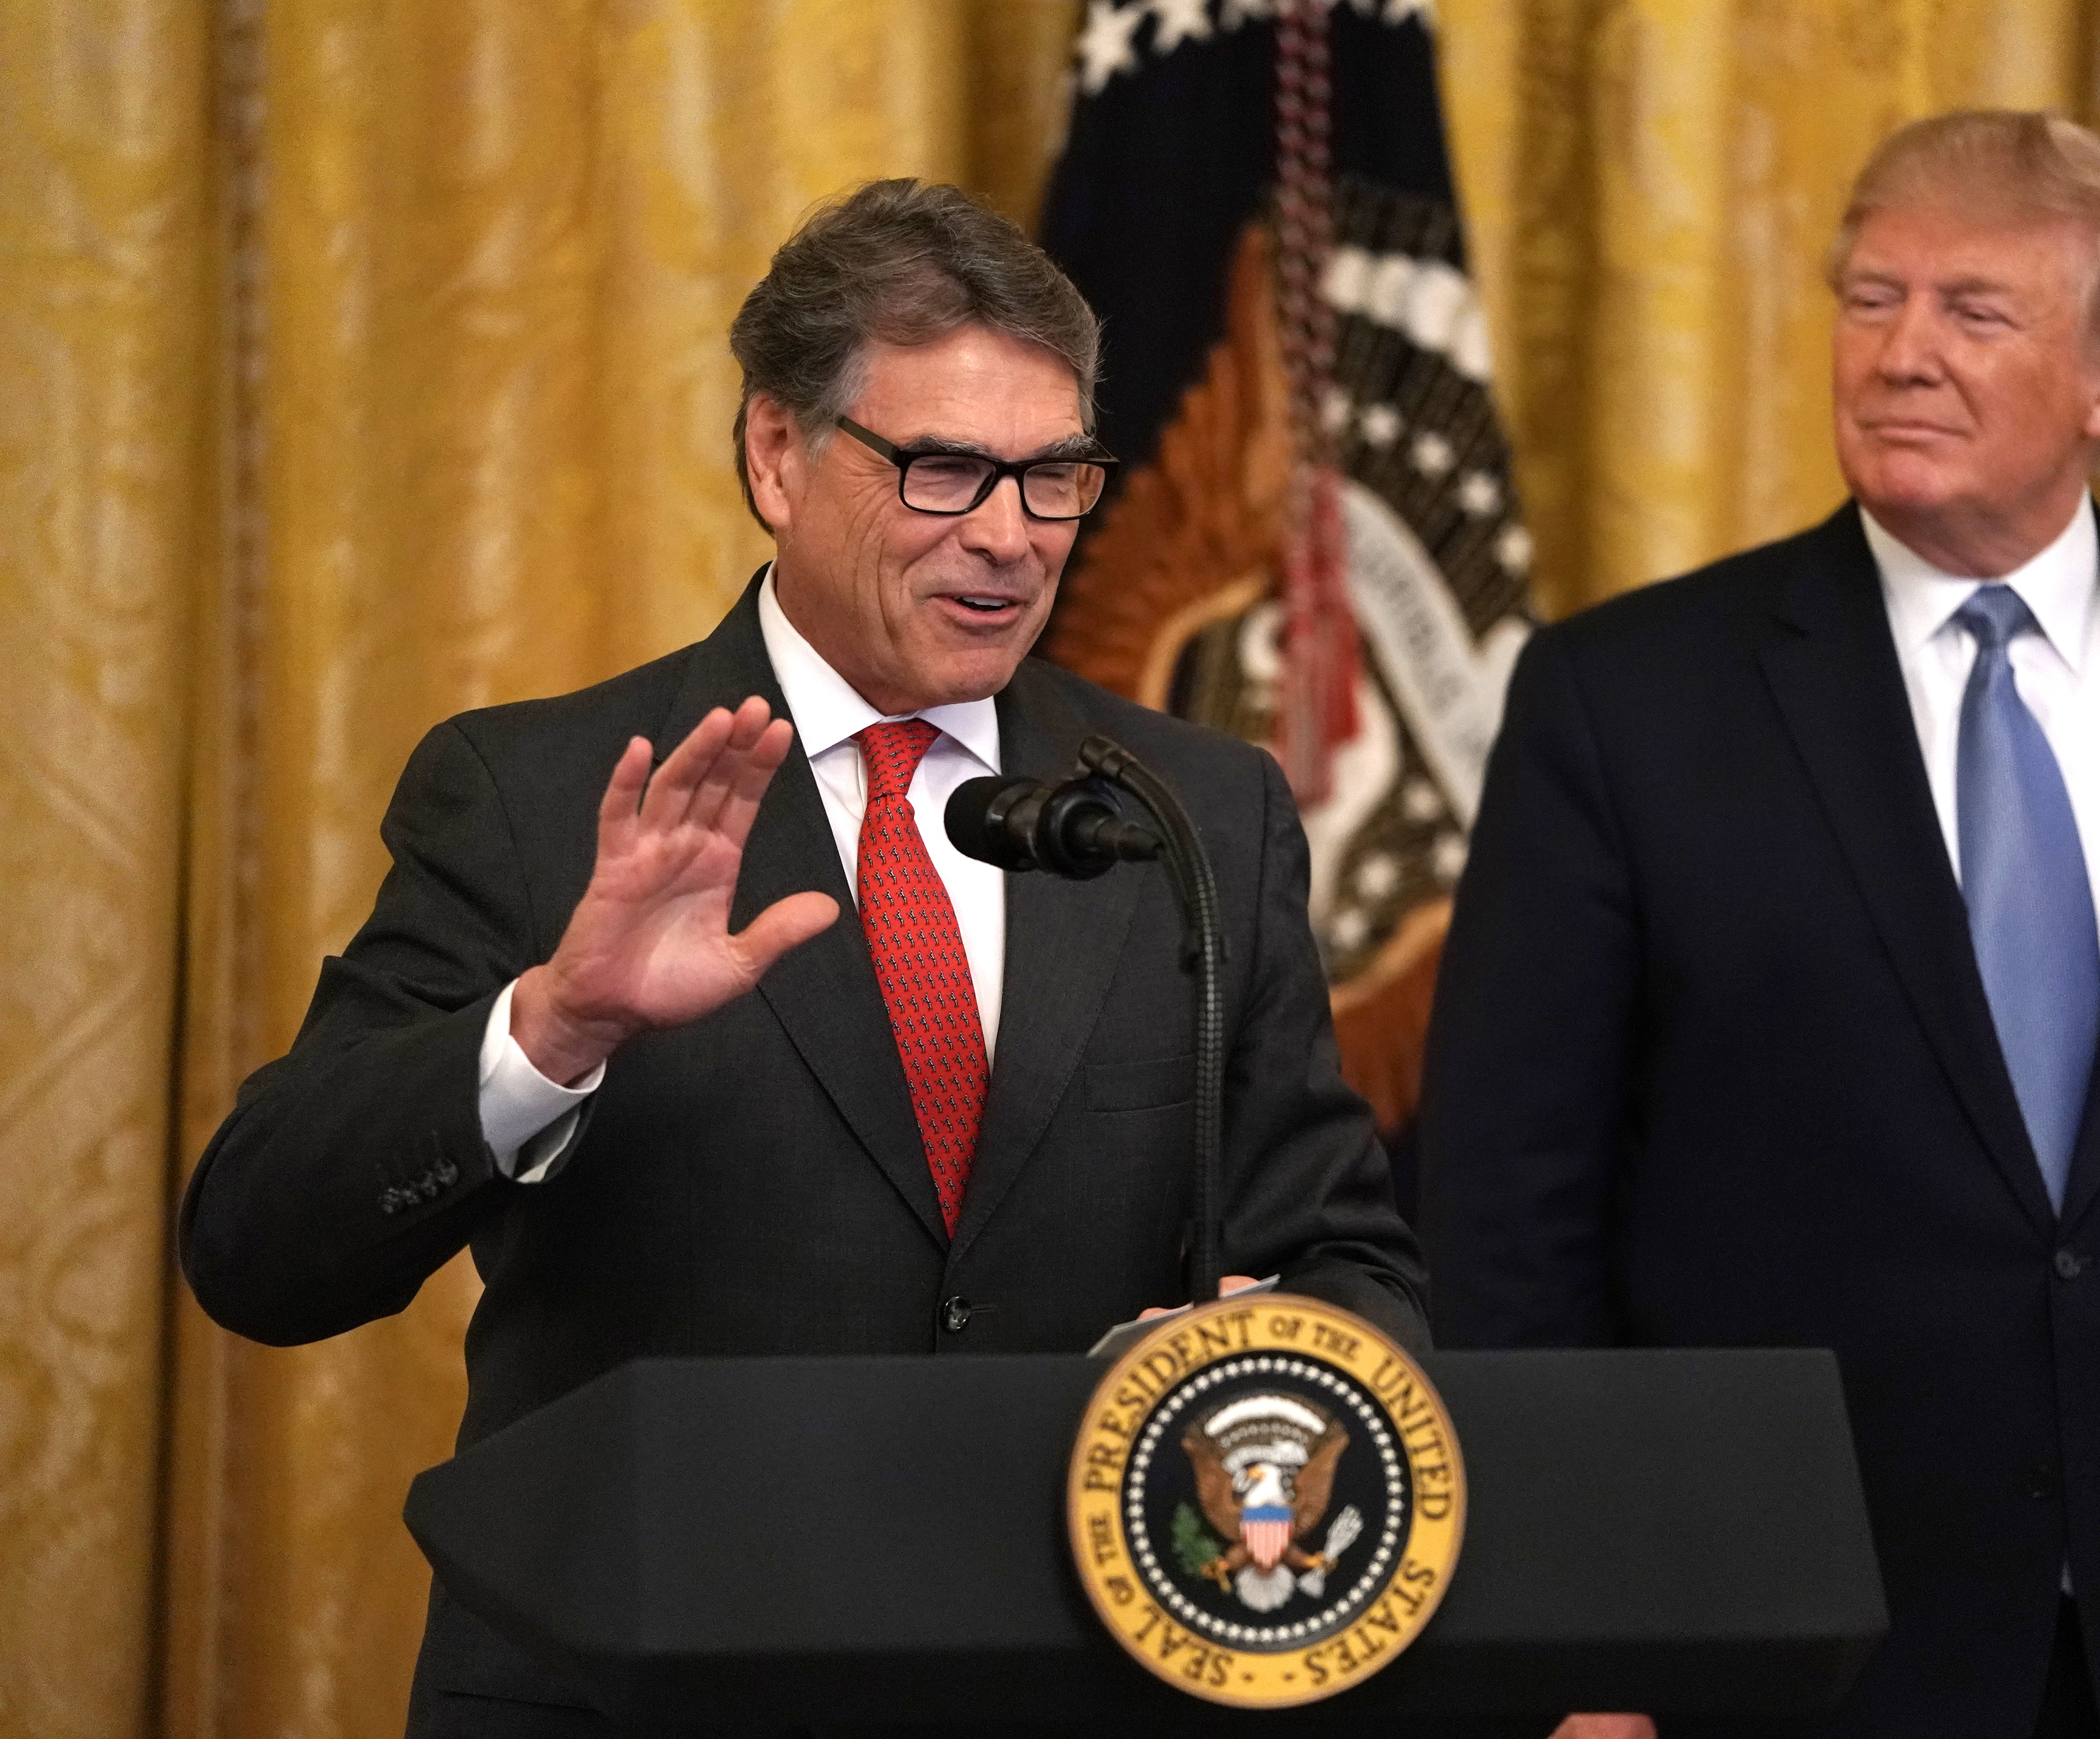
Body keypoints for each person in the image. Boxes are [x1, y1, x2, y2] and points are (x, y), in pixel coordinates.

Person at [180, 180, 1425, 1736]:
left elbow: (1349, 1260)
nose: (1011, 537)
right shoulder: (540, 795)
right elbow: (258, 1250)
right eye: (945, 469)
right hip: (644, 1690)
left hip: (1079, 1687)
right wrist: (553, 1029)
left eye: (1055, 479)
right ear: (779, 454)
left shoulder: (1195, 813)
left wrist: (1253, 1354)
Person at [1420, 112, 2100, 1739]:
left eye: (1975, 312)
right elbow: (1510, 1214)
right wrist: (1566, 1647)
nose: (1900, 355)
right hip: (1780, 1638)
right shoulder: (1627, 702)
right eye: (1872, 299)